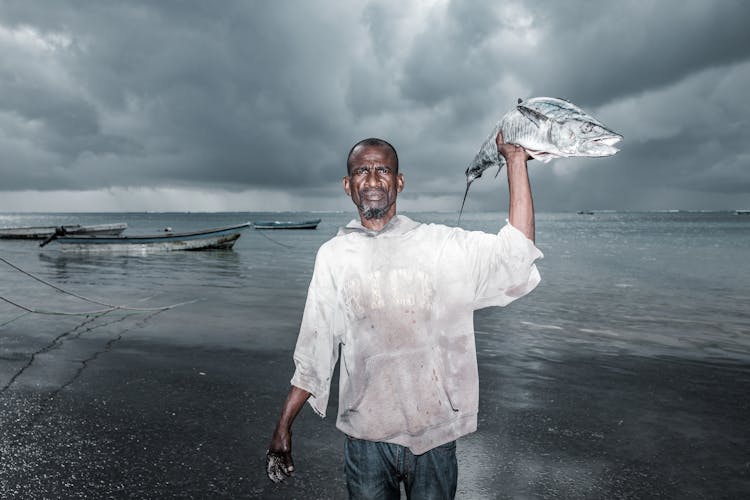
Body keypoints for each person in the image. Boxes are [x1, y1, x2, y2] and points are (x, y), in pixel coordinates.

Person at [266, 131, 542, 499]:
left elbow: (516, 255)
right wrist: (284, 424)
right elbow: (315, 348)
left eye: (383, 170)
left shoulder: (440, 246)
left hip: (435, 437)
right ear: (348, 185)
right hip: (366, 439)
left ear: (399, 182)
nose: (373, 179)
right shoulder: (334, 256)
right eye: (362, 171)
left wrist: (515, 161)